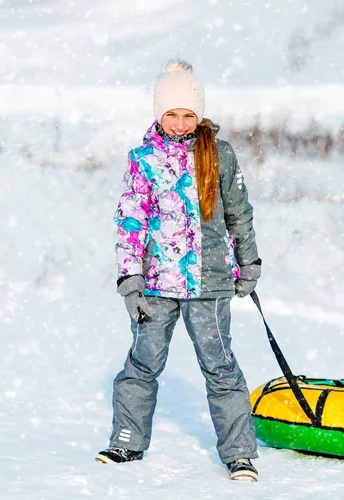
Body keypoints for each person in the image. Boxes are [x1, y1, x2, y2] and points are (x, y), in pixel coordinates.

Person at [95, 59, 262, 482]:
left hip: (210, 281)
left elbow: (238, 213)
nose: (180, 122)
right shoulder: (143, 159)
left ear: (199, 114)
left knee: (220, 366)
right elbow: (130, 220)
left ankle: (239, 453)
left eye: (189, 114)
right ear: (158, 112)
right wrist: (129, 277)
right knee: (143, 364)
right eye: (172, 113)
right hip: (155, 283)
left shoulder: (219, 155)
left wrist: (249, 262)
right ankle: (127, 441)